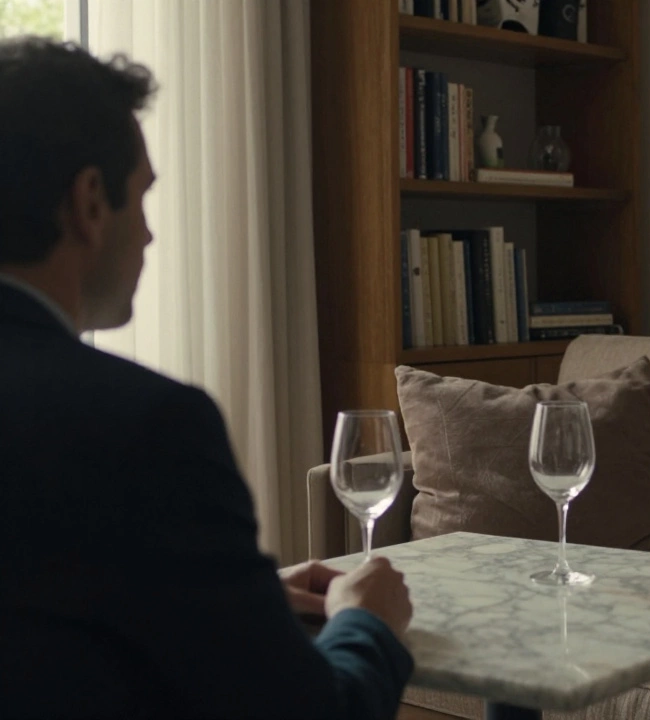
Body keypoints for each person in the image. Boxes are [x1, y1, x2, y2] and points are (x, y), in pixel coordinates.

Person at [0, 38, 415, 719]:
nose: (151, 236)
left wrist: (225, 598)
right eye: (144, 197)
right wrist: (367, 622)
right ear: (91, 201)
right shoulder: (144, 427)